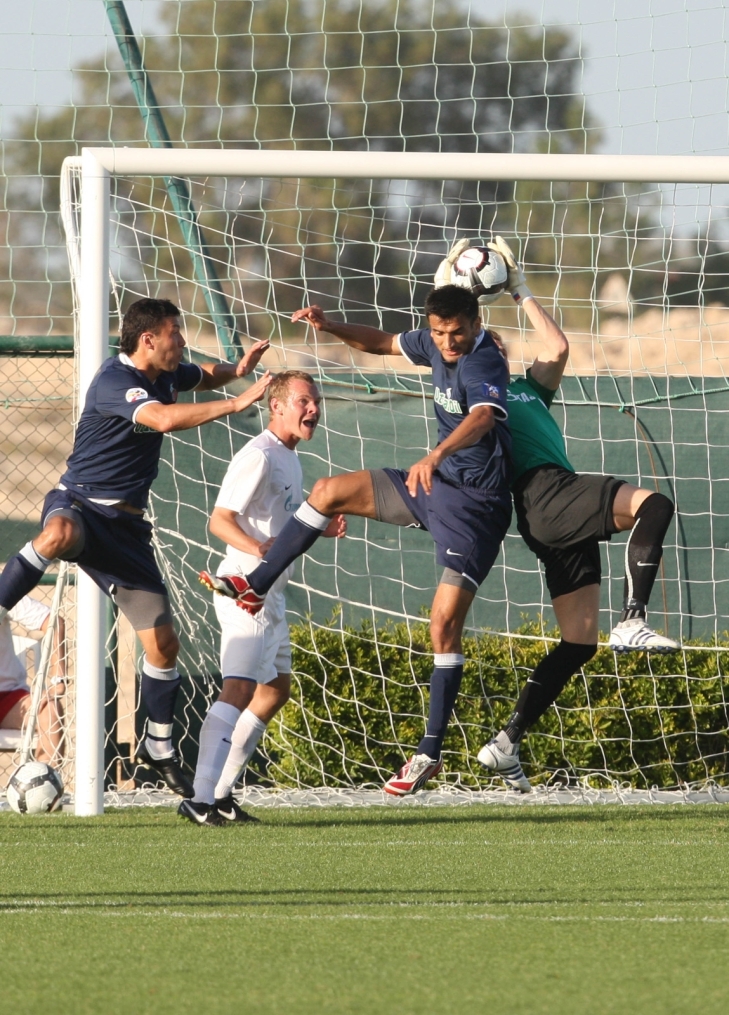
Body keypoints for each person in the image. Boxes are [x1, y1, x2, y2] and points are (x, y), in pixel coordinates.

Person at [200, 285, 513, 797]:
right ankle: (256, 583)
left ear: (476, 323)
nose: (447, 342)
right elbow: (384, 342)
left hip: (476, 509)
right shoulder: (433, 343)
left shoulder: (484, 362)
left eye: (457, 332)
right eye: (438, 332)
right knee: (327, 492)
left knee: (442, 626)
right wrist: (330, 327)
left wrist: (436, 454)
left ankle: (428, 754)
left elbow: (481, 418)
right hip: (429, 487)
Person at [0, 298, 271, 797]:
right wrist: (237, 403)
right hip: (81, 505)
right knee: (58, 535)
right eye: (175, 332)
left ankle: (159, 746)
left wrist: (235, 371)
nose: (182, 341)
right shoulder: (113, 381)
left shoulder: (165, 371)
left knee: (163, 645)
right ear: (148, 339)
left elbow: (202, 374)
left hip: (125, 532)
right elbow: (163, 420)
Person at [450, 237, 679, 792]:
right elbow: (444, 350)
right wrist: (457, 298)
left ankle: (506, 744)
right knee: (655, 505)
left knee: (579, 642)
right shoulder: (481, 397)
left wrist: (520, 287)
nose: (497, 353)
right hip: (546, 492)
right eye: (488, 348)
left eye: (498, 347)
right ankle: (635, 618)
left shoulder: (528, 390)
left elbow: (556, 347)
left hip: (548, 515)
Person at [180, 370, 346, 825]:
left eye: (316, 401)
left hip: (270, 594)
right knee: (238, 689)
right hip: (244, 589)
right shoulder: (258, 455)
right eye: (303, 401)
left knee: (274, 692)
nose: (313, 408)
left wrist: (321, 527)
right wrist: (257, 550)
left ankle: (222, 794)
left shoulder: (289, 457)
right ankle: (199, 798)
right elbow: (220, 520)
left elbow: (279, 524)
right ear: (276, 406)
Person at [0, 594, 66, 764]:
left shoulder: (4, 587)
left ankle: (44, 784)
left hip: (9, 698)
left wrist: (58, 678)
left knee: (50, 710)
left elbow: (52, 621)